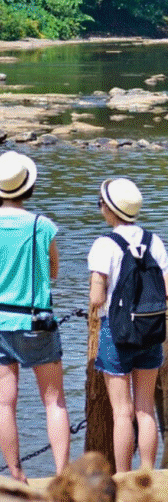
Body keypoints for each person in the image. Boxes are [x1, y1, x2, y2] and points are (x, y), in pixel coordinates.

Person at [88, 177, 168, 472]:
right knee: (145, 409)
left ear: (110, 211)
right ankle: (149, 472)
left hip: (118, 333)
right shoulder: (155, 240)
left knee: (122, 413)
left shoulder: (105, 244)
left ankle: (123, 476)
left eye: (101, 204)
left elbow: (97, 298)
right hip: (151, 331)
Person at [0, 151, 70, 483]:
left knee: (4, 404)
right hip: (36, 322)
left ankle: (16, 474)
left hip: (0, 322)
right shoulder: (43, 226)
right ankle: (61, 475)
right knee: (54, 402)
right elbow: (54, 271)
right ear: (28, 188)